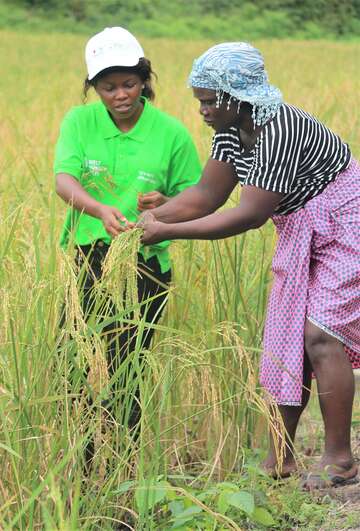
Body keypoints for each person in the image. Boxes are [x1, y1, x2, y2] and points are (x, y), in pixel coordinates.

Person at [135, 42, 360, 489]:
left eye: (208, 100)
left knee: (321, 335)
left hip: (346, 223)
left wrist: (168, 231)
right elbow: (207, 195)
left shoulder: (278, 129)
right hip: (302, 227)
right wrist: (149, 219)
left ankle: (340, 460)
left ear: (238, 96)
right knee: (288, 336)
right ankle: (281, 457)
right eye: (199, 100)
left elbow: (249, 214)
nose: (201, 110)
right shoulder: (231, 129)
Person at [54, 27, 201, 454]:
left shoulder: (170, 133)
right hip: (85, 258)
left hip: (144, 267)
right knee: (76, 364)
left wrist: (165, 202)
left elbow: (197, 198)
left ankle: (122, 460)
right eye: (108, 87)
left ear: (145, 80)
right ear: (94, 87)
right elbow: (64, 179)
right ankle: (82, 457)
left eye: (130, 84)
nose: (120, 95)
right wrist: (99, 210)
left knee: (126, 369)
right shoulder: (80, 122)